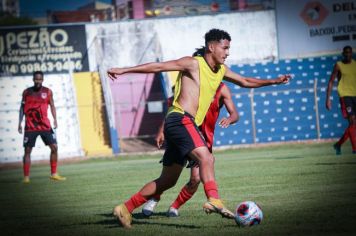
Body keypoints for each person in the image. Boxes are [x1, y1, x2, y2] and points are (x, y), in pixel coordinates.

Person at [107, 28, 290, 229]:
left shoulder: (221, 70)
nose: (228, 52)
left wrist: (273, 81)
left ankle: (125, 208)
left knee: (168, 180)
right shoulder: (193, 63)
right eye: (225, 48)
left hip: (184, 123)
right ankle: (214, 198)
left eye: (229, 48)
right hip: (179, 119)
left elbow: (245, 81)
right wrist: (124, 70)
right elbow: (159, 66)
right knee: (207, 157)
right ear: (211, 47)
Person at [142, 82, 239, 217]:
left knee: (196, 178)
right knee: (168, 178)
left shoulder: (221, 88)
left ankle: (174, 207)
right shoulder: (190, 84)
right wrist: (161, 130)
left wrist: (229, 119)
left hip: (202, 141)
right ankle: (154, 197)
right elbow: (172, 111)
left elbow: (235, 114)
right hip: (182, 135)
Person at [18, 71, 66, 183]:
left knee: (54, 147)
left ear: (43, 79)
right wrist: (20, 122)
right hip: (31, 127)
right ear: (33, 79)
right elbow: (22, 108)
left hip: (45, 126)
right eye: (36, 79)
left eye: (40, 79)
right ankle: (26, 177)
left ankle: (54, 173)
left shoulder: (48, 92)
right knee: (27, 151)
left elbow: (52, 105)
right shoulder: (27, 92)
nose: (38, 81)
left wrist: (55, 119)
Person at [326, 46, 356, 155]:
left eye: (349, 52)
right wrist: (328, 99)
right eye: (346, 52)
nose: (348, 54)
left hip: (355, 95)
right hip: (345, 96)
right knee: (352, 121)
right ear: (343, 53)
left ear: (352, 53)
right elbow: (330, 82)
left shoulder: (355, 64)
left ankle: (338, 144)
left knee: (353, 125)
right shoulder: (338, 65)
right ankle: (354, 149)